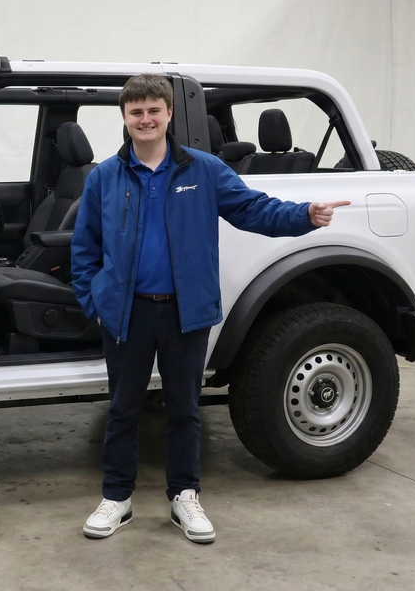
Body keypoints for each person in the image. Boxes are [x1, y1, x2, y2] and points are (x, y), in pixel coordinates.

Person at [71, 74, 349, 543]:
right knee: (123, 410)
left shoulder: (204, 170)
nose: (145, 119)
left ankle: (185, 496)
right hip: (127, 314)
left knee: (184, 410)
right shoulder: (104, 177)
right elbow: (85, 248)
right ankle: (116, 498)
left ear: (169, 114)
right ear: (124, 117)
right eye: (136, 112)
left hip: (186, 312)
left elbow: (254, 209)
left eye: (153, 110)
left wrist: (304, 215)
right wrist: (94, 302)